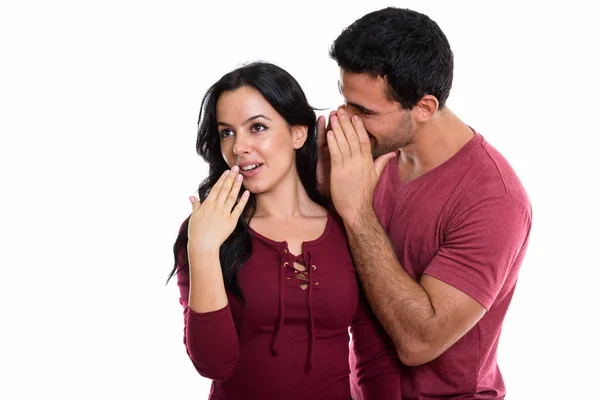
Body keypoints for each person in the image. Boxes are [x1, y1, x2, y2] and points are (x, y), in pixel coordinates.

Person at [317, 7, 532, 400]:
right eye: (345, 101)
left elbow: (420, 342)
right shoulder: (370, 157)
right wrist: (322, 197)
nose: (344, 120)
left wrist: (356, 212)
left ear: (425, 108)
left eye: (364, 111)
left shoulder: (494, 198)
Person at [166, 62, 401, 400]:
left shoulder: (346, 225)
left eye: (257, 127)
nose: (239, 147)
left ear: (298, 133)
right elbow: (214, 364)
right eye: (226, 132)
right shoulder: (205, 231)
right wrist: (202, 250)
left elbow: (375, 356)